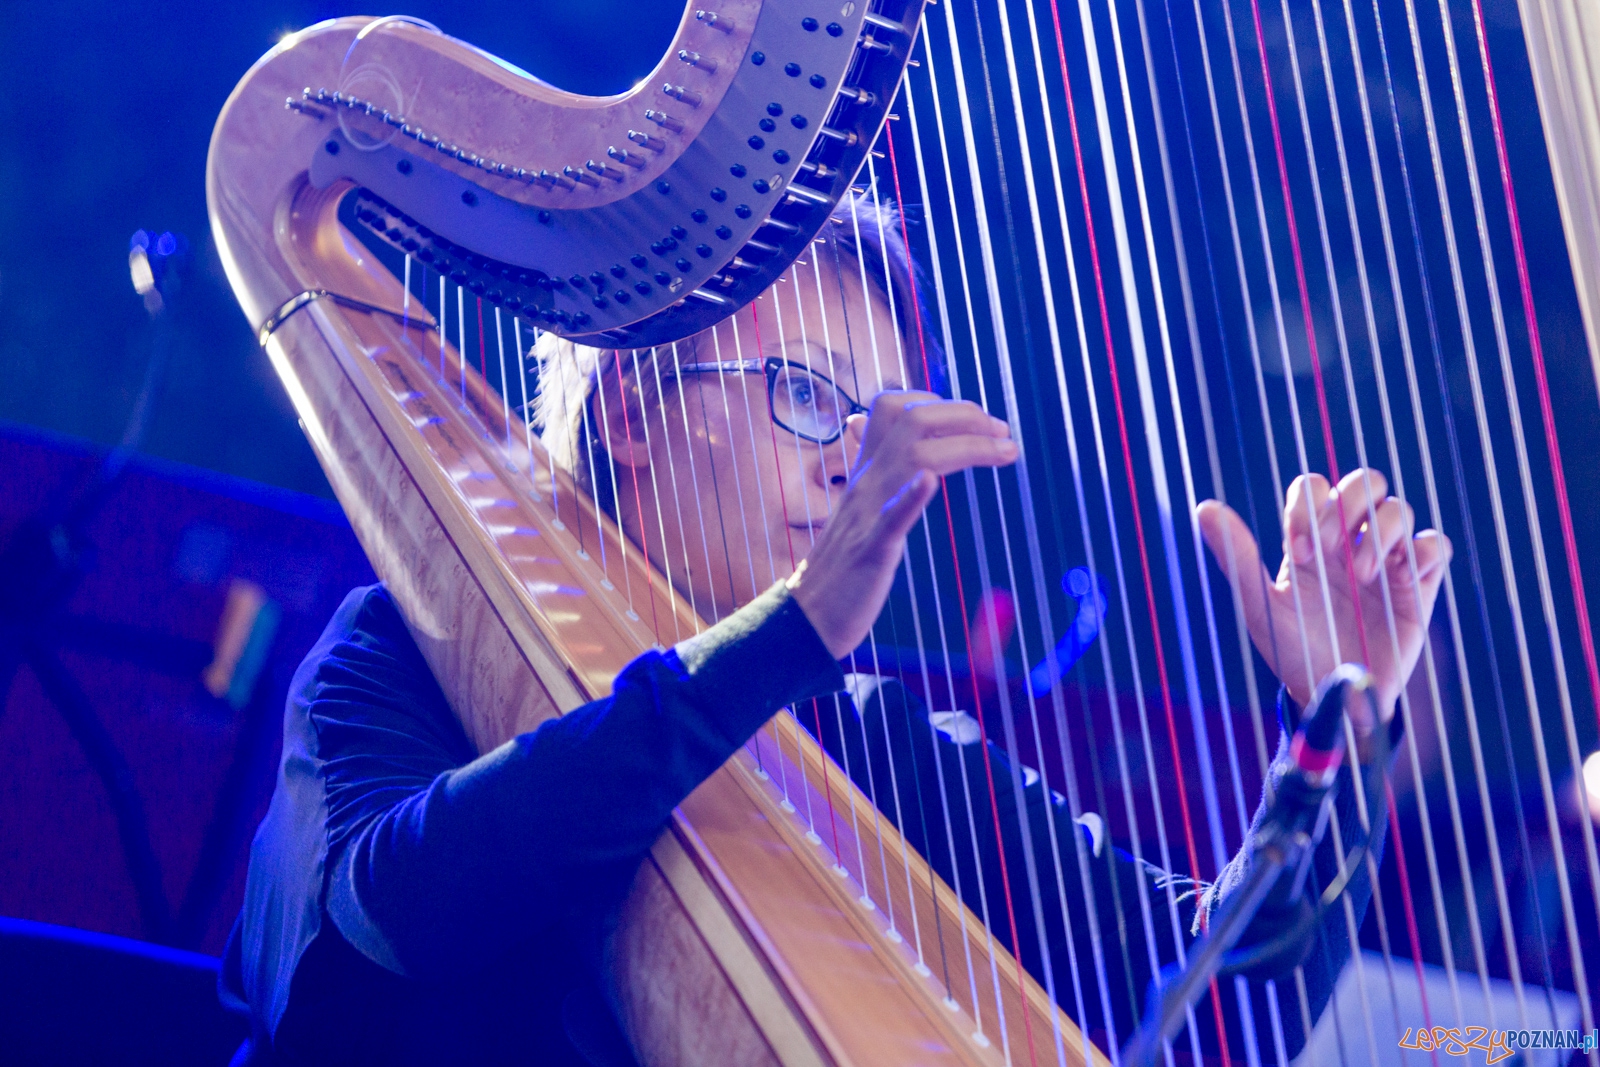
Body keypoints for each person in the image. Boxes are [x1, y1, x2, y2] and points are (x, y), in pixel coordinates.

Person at [219, 198, 1452, 1066]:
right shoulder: (404, 645)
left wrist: (1345, 716)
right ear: (640, 409)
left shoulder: (874, 751)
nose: (856, 473)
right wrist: (791, 634)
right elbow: (389, 920)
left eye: (875, 425)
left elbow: (1209, 1013)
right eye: (809, 397)